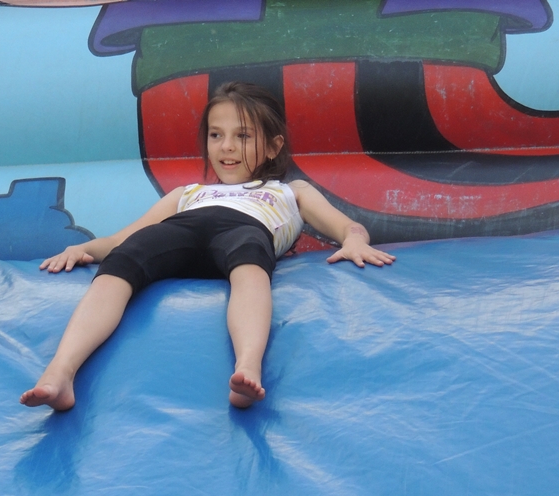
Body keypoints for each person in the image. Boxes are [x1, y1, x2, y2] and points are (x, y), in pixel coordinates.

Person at [20, 81, 394, 411]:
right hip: (180, 230)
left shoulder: (290, 191)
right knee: (124, 258)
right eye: (216, 135)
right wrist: (83, 249)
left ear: (273, 146)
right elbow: (122, 237)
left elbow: (347, 226)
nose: (226, 147)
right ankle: (61, 372)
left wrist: (354, 241)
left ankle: (247, 367)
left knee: (251, 260)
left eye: (243, 136)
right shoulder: (188, 193)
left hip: (244, 231)